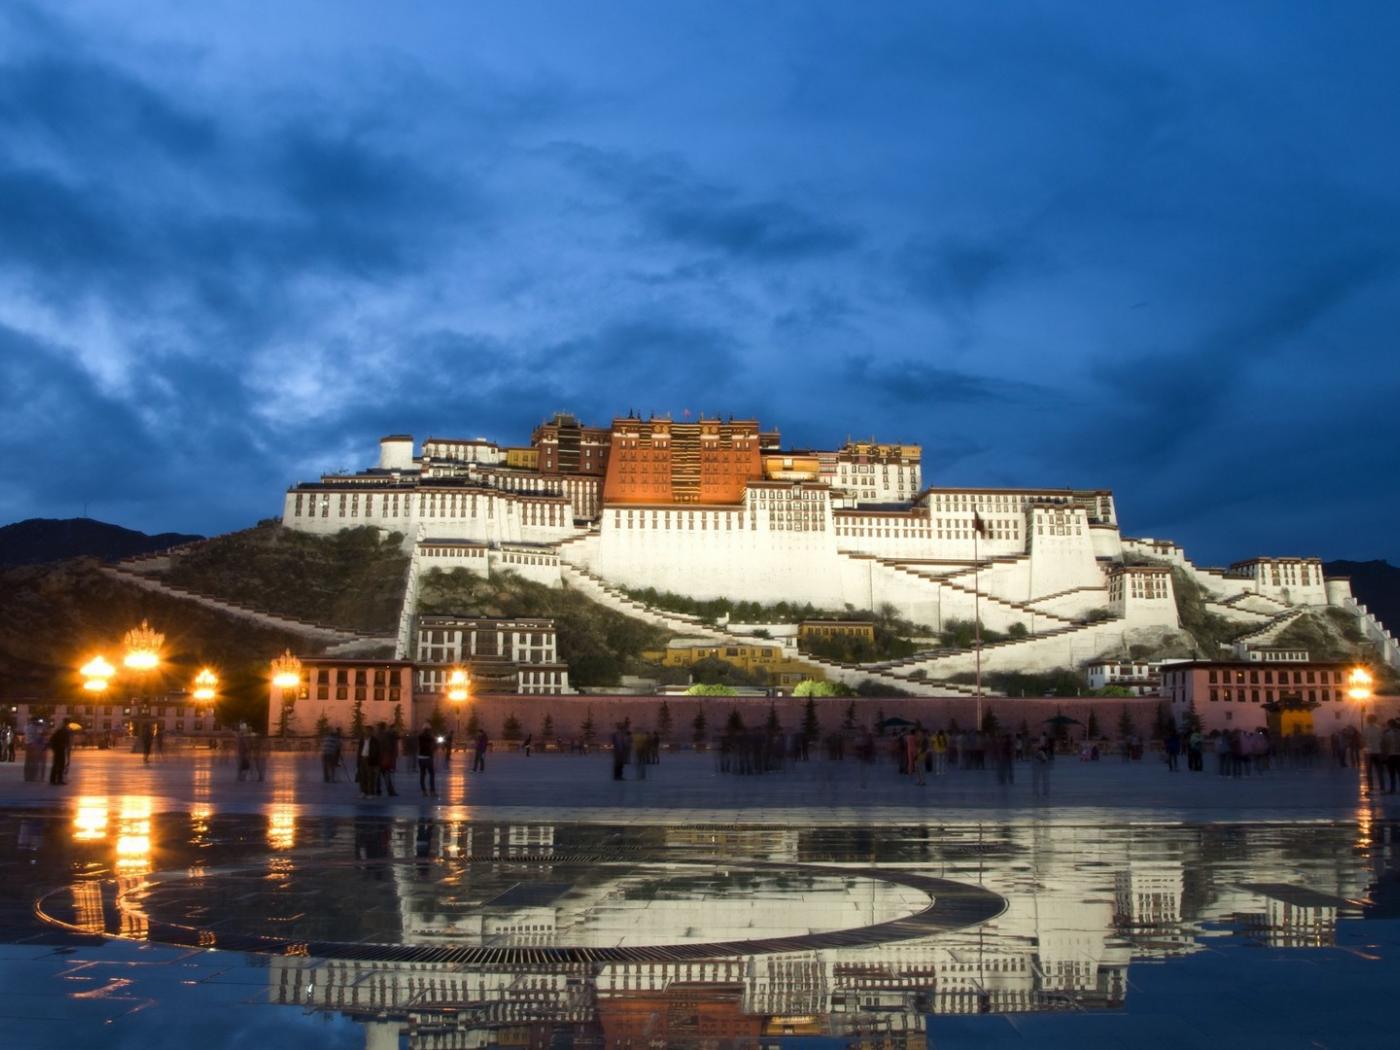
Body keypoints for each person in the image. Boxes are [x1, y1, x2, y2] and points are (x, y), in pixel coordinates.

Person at [1362, 716, 1385, 792]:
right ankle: (1382, 787)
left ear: (1367, 720)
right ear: (1375, 720)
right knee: (1379, 771)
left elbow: (1363, 740)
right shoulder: (1379, 729)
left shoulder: (1365, 729)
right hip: (1378, 751)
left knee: (1369, 771)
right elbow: (1382, 740)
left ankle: (1370, 787)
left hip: (1368, 752)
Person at [376, 724, 399, 796]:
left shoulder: (376, 735)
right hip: (384, 759)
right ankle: (390, 791)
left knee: (378, 776)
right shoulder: (386, 736)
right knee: (386, 776)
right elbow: (389, 747)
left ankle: (378, 790)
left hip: (378, 759)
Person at [417, 723, 437, 797]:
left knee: (422, 774)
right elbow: (434, 746)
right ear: (429, 730)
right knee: (432, 774)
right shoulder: (430, 737)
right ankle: (432, 791)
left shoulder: (420, 736)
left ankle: (424, 791)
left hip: (420, 757)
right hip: (428, 757)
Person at [1031, 733, 1052, 798]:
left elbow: (1044, 759)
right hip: (1040, 766)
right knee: (1043, 779)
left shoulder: (1039, 751)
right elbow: (1045, 759)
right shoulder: (1040, 751)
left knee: (1038, 780)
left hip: (1038, 766)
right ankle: (1043, 791)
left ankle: (1039, 792)